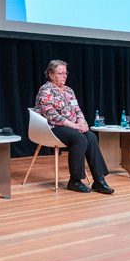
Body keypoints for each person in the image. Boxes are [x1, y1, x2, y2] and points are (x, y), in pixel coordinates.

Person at [34, 60, 114, 194]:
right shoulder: (46, 90)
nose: (65, 76)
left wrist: (82, 123)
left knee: (91, 137)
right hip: (51, 128)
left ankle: (99, 180)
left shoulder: (69, 90)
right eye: (61, 74)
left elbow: (77, 110)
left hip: (72, 126)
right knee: (79, 138)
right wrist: (75, 126)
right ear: (51, 75)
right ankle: (75, 181)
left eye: (66, 73)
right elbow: (51, 115)